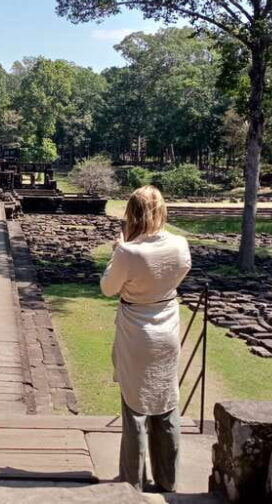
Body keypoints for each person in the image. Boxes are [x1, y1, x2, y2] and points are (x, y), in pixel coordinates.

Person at [99, 185, 191, 493]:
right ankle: (168, 480)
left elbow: (108, 288)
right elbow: (178, 272)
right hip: (167, 327)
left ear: (132, 214)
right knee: (166, 403)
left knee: (135, 409)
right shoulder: (180, 245)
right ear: (162, 212)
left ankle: (131, 485)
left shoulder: (128, 251)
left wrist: (118, 251)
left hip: (136, 332)